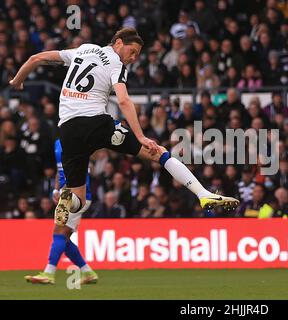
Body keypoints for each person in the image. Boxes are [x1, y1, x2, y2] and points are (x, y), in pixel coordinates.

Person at [10, 28, 239, 284]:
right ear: (118, 43)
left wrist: (17, 81)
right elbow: (124, 100)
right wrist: (140, 136)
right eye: (132, 51)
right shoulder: (116, 63)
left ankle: (68, 204)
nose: (132, 58)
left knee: (79, 198)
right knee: (157, 152)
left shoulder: (82, 50)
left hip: (67, 130)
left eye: (136, 55)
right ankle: (203, 194)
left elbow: (36, 59)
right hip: (96, 123)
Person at [24, 139, 97, 284]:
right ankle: (87, 272)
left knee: (58, 232)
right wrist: (56, 189)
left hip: (77, 193)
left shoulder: (78, 140)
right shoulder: (58, 142)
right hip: (65, 192)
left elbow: (85, 166)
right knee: (64, 237)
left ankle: (49, 273)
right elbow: (60, 169)